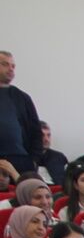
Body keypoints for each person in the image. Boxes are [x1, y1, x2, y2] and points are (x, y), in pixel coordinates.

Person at [0, 51, 43, 179]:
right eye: (5, 64)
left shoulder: (22, 97)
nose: (11, 69)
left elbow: (36, 132)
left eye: (13, 66)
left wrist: (34, 160)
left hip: (21, 160)